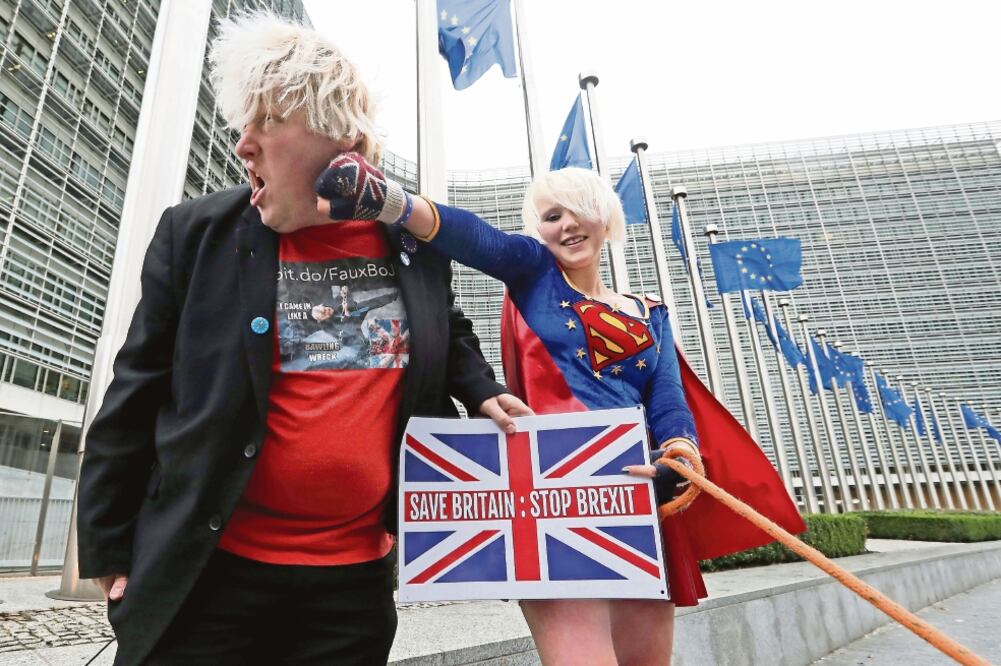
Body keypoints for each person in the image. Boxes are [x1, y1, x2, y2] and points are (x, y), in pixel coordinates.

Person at [76, 12, 530, 666]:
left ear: (339, 135)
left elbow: (446, 325)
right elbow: (135, 389)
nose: (243, 144)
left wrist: (480, 387)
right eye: (244, 124)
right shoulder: (194, 233)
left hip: (349, 592)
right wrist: (107, 543)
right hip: (206, 575)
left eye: (267, 121)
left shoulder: (413, 243)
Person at [316, 155, 805, 665]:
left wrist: (678, 458)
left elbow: (667, 399)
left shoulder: (650, 312)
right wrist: (389, 200)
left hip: (631, 497)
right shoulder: (535, 273)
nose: (567, 224)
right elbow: (478, 238)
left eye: (579, 210)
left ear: (606, 219)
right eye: (552, 216)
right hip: (552, 499)